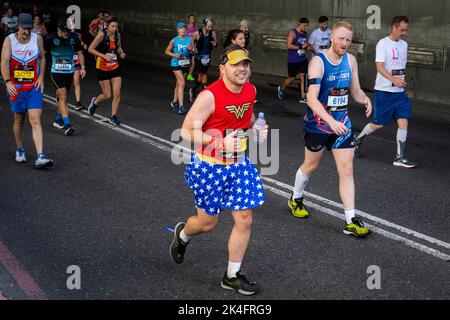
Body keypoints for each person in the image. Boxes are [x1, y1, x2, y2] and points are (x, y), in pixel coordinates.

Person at [170, 44, 269, 296]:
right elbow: (185, 131)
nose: (242, 69)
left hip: (238, 164)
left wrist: (255, 129)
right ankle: (182, 234)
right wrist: (217, 141)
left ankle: (231, 276)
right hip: (209, 166)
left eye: (246, 64)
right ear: (223, 68)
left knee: (245, 218)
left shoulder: (250, 90)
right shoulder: (209, 96)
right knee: (207, 223)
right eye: (236, 64)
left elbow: (246, 117)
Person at [289, 22, 373, 238]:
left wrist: (364, 99)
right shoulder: (318, 62)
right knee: (310, 165)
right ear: (332, 38)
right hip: (318, 125)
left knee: (346, 170)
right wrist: (329, 121)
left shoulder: (351, 60)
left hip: (341, 124)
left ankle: (350, 220)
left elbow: (355, 90)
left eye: (348, 40)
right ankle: (296, 198)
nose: (345, 43)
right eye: (341, 39)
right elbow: (311, 98)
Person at [355, 16, 417, 169]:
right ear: (394, 28)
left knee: (403, 121)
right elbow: (379, 67)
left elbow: (400, 65)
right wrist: (394, 80)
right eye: (402, 30)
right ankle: (356, 141)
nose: (404, 33)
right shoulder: (383, 44)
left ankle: (399, 157)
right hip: (384, 91)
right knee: (378, 124)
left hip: (399, 92)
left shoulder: (404, 44)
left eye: (406, 30)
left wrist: (399, 81)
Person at [1, 13, 53, 169]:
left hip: (33, 88)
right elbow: (3, 63)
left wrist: (41, 78)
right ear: (18, 26)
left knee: (35, 119)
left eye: (29, 28)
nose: (27, 32)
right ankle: (20, 149)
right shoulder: (9, 40)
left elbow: (42, 58)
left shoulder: (37, 39)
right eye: (24, 28)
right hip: (16, 87)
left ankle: (40, 156)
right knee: (19, 119)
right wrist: (8, 82)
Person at [48, 16, 86, 136]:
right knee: (63, 96)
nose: (66, 33)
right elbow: (42, 54)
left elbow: (80, 53)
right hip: (56, 72)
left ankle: (57, 119)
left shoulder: (74, 38)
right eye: (64, 30)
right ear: (58, 29)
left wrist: (83, 68)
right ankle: (68, 124)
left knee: (63, 98)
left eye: (68, 30)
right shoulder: (50, 38)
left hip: (69, 72)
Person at [88, 16, 126, 126]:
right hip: (102, 67)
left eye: (116, 26)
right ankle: (95, 102)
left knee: (117, 93)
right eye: (112, 26)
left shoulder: (118, 35)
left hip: (114, 66)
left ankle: (113, 116)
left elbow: (118, 47)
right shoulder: (101, 35)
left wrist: (121, 53)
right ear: (107, 26)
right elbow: (90, 49)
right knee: (107, 95)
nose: (114, 28)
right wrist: (103, 56)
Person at [277, 17, 312, 103]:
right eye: (304, 26)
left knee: (303, 76)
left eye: (307, 26)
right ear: (299, 24)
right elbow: (288, 45)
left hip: (302, 60)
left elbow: (304, 45)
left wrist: (308, 48)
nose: (306, 28)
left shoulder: (305, 34)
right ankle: (281, 88)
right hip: (293, 60)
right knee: (291, 79)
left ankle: (303, 97)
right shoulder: (293, 33)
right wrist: (300, 47)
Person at [165, 21, 194, 115]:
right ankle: (181, 106)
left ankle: (174, 102)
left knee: (178, 84)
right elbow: (166, 51)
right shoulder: (174, 40)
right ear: (177, 30)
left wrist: (191, 50)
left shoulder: (190, 39)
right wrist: (174, 54)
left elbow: (194, 51)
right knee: (182, 83)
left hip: (185, 63)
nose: (184, 29)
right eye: (181, 28)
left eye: (185, 28)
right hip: (176, 63)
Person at [189, 17, 217, 103]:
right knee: (200, 76)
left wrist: (214, 43)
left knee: (204, 74)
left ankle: (199, 93)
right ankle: (194, 90)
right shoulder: (198, 33)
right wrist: (193, 47)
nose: (210, 28)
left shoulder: (212, 33)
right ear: (204, 25)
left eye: (211, 26)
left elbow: (215, 43)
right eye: (208, 26)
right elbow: (191, 39)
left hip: (207, 57)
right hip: (198, 57)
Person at [68, 16, 88, 111]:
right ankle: (61, 100)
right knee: (65, 83)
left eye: (74, 24)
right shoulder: (63, 34)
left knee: (76, 82)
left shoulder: (78, 35)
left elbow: (80, 43)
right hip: (66, 61)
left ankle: (78, 102)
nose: (73, 26)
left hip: (75, 60)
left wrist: (83, 45)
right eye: (71, 24)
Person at [186, 14, 198, 82]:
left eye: (193, 19)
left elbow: (196, 38)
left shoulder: (195, 29)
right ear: (188, 20)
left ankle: (189, 75)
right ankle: (183, 73)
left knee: (193, 63)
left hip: (193, 48)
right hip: (186, 48)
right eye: (191, 19)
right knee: (186, 62)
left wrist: (195, 46)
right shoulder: (186, 28)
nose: (192, 20)